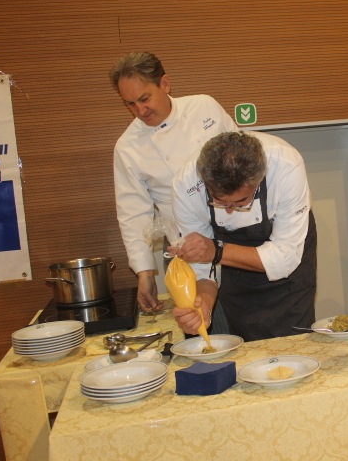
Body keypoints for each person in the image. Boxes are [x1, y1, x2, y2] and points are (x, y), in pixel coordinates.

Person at [111, 52, 238, 313]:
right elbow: (133, 214)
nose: (140, 111)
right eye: (130, 104)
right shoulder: (128, 147)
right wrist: (144, 272)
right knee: (203, 329)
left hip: (237, 237)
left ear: (165, 84)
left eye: (145, 99)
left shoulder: (204, 107)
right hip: (188, 252)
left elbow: (243, 160)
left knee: (249, 327)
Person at [169, 131, 317, 342]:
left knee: (294, 341)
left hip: (288, 276)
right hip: (233, 271)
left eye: (240, 203)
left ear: (258, 181)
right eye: (219, 201)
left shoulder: (285, 165)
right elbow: (203, 266)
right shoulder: (186, 185)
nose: (229, 210)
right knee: (245, 340)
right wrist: (204, 307)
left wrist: (218, 251)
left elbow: (286, 256)